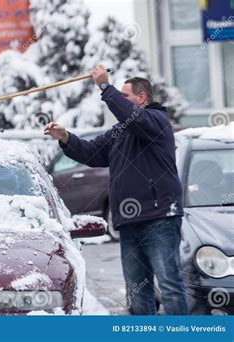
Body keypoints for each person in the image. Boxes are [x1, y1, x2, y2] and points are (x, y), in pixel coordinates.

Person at [44, 64, 188, 315]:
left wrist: (104, 86)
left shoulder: (156, 121)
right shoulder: (121, 132)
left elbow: (135, 118)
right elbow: (92, 152)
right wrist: (66, 137)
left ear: (141, 98)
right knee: (137, 289)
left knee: (169, 285)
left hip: (160, 217)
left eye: (125, 96)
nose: (121, 101)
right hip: (129, 221)